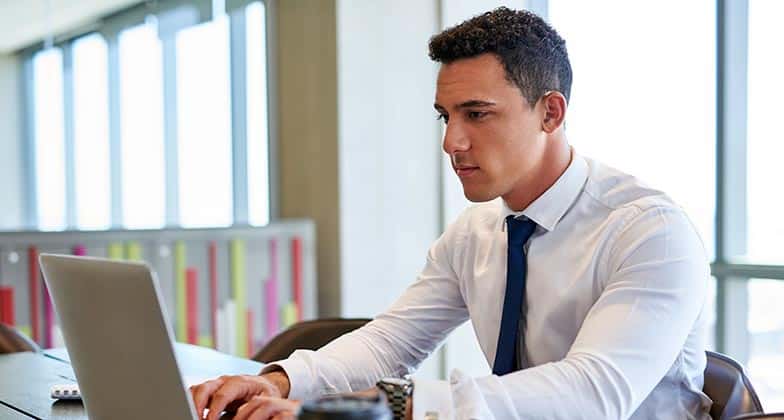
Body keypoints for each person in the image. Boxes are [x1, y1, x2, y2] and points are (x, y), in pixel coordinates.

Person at [190, 7, 712, 420]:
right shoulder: (479, 231)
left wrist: (389, 405)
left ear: (550, 112)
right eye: (446, 116)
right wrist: (277, 381)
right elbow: (388, 343)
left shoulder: (650, 233)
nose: (451, 141)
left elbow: (594, 395)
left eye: (477, 114)